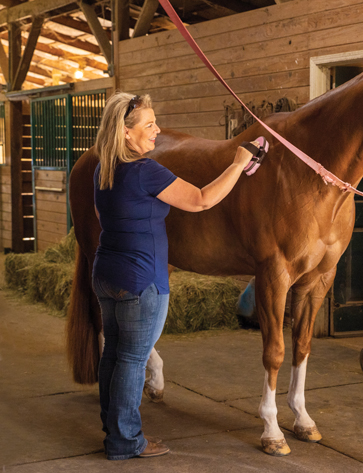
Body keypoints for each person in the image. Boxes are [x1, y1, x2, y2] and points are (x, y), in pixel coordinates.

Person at [92, 92, 260, 460]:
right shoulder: (145, 170)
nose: (157, 131)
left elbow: (106, 220)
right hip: (142, 280)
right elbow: (200, 199)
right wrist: (238, 163)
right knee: (133, 362)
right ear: (124, 132)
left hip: (107, 272)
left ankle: (114, 428)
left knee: (114, 356)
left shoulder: (102, 170)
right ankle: (125, 441)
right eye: (149, 125)